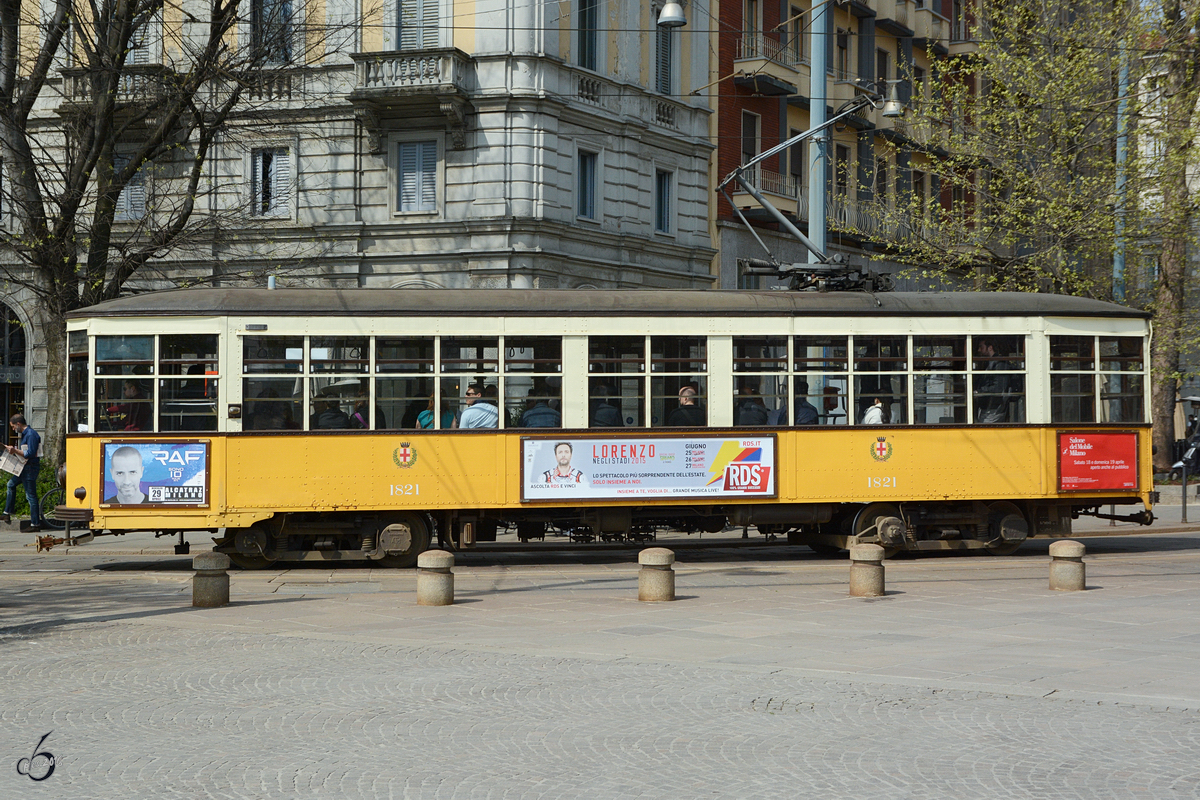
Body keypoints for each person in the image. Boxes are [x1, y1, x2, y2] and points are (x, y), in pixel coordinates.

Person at [2, 414, 41, 529]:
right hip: (24, 467)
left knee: (31, 496)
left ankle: (35, 524)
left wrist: (14, 451)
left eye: (13, 427)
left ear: (18, 424)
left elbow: (30, 453)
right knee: (10, 484)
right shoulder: (26, 434)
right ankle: (7, 513)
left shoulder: (31, 434)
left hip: (30, 468)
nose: (13, 429)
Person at [974, 338, 1011, 423]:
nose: (979, 350)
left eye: (981, 347)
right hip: (988, 406)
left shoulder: (999, 364)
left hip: (994, 407)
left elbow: (999, 387)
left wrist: (979, 392)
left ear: (990, 348)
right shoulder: (990, 363)